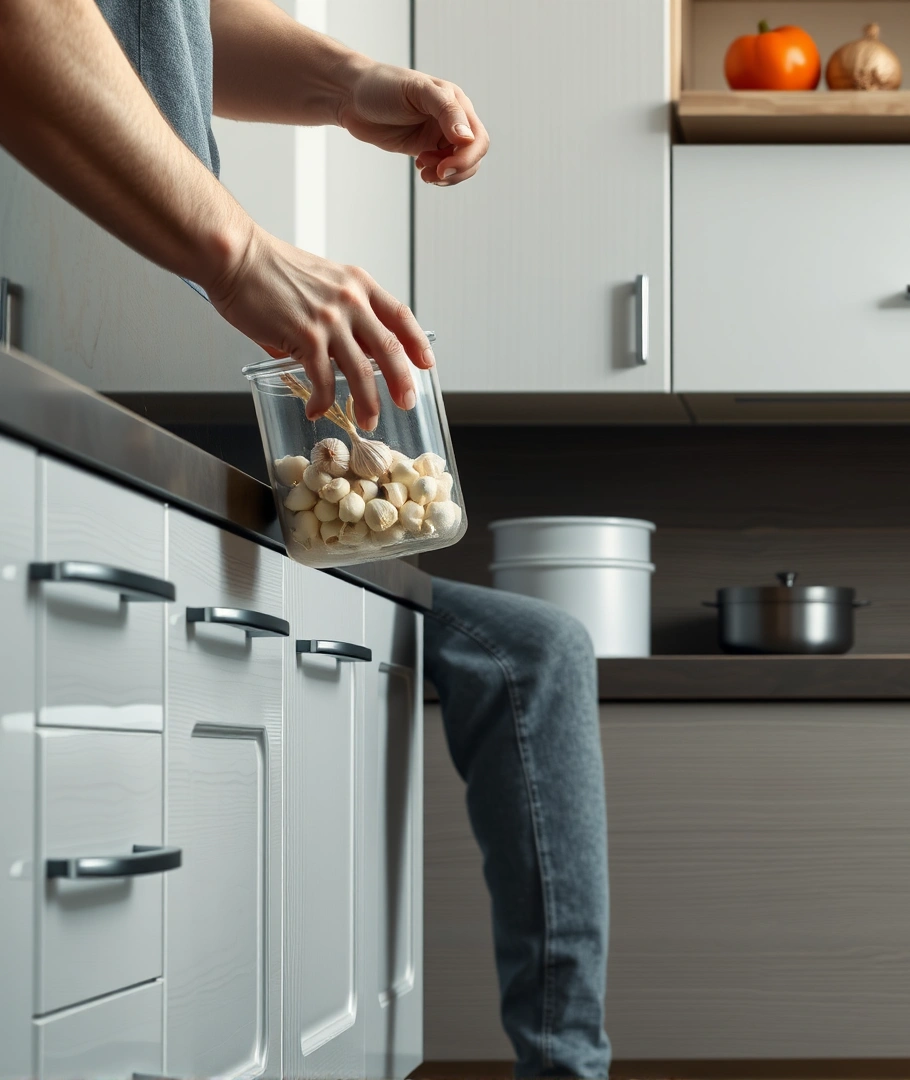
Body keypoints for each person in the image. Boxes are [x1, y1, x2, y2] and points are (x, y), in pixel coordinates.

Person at [0, 1, 611, 1075]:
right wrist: (237, 252)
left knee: (536, 649)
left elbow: (159, 20)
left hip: (151, 330)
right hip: (70, 327)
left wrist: (346, 82)